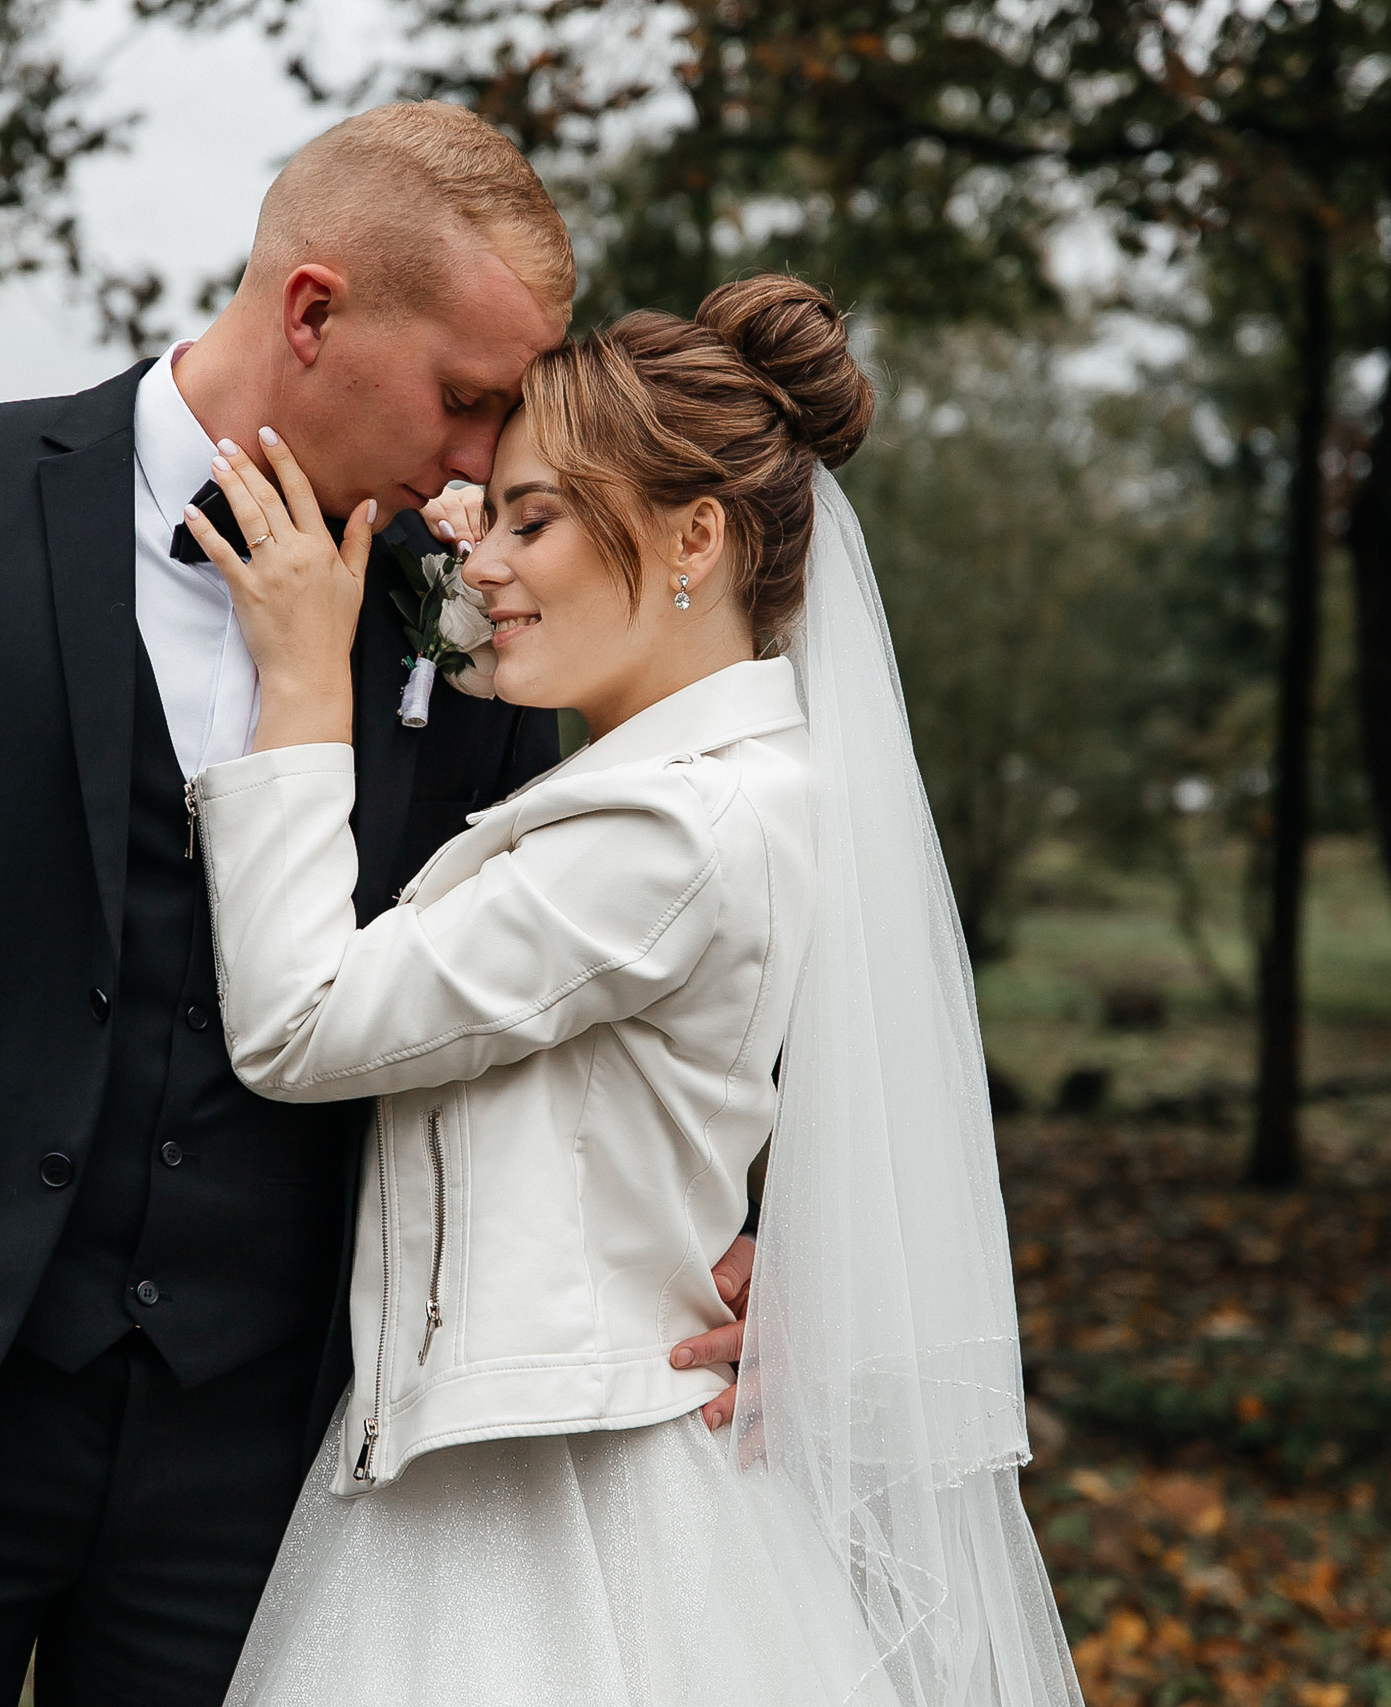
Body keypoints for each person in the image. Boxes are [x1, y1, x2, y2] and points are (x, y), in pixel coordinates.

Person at [0, 103, 756, 1704]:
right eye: (466, 400)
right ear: (311, 312)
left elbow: (615, 947)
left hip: (258, 1468)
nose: (478, 465)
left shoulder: (480, 629)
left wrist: (757, 1242)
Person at [182, 276, 1084, 1705]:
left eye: (533, 517)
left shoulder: (670, 831)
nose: (480, 562)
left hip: (534, 1508)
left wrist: (301, 689)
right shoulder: (744, 790)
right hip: (591, 1450)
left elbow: (304, 1026)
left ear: (697, 537)